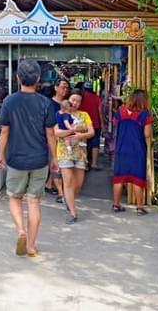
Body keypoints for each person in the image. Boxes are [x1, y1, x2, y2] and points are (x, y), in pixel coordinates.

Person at [0, 59, 58, 257]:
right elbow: (50, 134)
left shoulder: (9, 101)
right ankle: (31, 246)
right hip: (39, 160)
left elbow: (4, 132)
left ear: (17, 78)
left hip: (16, 160)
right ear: (38, 79)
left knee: (14, 197)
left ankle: (20, 230)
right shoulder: (45, 103)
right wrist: (54, 158)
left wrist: (0, 156)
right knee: (34, 202)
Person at [112, 90, 153, 215]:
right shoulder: (145, 115)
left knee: (119, 178)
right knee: (137, 179)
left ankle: (116, 205)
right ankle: (139, 208)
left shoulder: (120, 111)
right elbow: (147, 134)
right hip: (137, 150)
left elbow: (114, 123)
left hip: (121, 149)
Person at [54, 91, 94, 223]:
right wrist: (71, 131)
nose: (75, 103)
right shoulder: (59, 114)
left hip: (81, 153)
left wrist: (80, 136)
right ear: (68, 100)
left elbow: (91, 132)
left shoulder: (84, 115)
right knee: (69, 182)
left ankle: (68, 200)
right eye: (73, 100)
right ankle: (73, 212)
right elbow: (56, 132)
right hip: (64, 152)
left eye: (78, 101)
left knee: (78, 184)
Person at [44, 79, 70, 202]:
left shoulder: (67, 103)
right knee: (55, 161)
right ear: (56, 88)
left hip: (65, 137)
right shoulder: (49, 104)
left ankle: (50, 184)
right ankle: (56, 188)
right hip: (52, 137)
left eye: (66, 88)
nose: (65, 90)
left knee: (59, 161)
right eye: (62, 87)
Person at [79, 81, 104, 170]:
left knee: (83, 144)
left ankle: (84, 164)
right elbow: (100, 111)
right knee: (95, 144)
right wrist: (102, 124)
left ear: (83, 88)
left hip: (82, 124)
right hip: (95, 123)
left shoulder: (81, 97)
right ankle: (94, 163)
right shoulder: (96, 98)